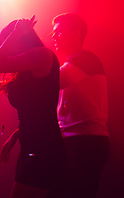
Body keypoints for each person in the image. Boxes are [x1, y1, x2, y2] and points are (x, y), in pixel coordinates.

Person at [0, 16, 65, 198]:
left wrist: (15, 32)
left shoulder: (43, 55)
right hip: (32, 147)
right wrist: (16, 135)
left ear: (21, 38)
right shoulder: (26, 70)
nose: (6, 53)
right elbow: (35, 111)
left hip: (45, 148)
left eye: (8, 44)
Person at [51, 13, 110, 198]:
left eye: (59, 32)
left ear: (76, 34)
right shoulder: (72, 63)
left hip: (84, 141)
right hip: (78, 141)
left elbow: (51, 83)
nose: (53, 37)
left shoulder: (84, 59)